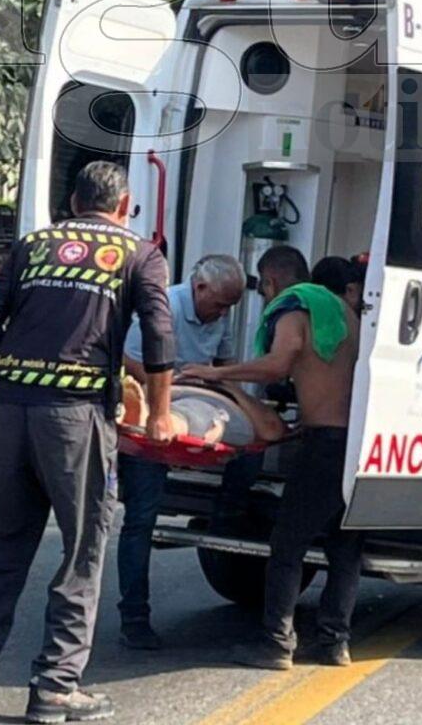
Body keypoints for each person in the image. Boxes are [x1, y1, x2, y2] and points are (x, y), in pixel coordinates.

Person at [0, 161, 176, 723]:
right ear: (124, 205)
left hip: (10, 412)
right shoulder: (139, 252)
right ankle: (55, 688)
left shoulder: (33, 244)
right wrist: (161, 412)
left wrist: (15, 371)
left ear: (73, 202)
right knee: (81, 550)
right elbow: (161, 330)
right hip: (76, 419)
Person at [180, 245, 362, 670]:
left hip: (325, 442)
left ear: (271, 282)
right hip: (355, 442)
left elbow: (278, 365)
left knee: (286, 543)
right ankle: (335, 641)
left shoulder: (293, 306)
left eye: (262, 292)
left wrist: (216, 373)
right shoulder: (344, 311)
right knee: (345, 545)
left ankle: (277, 643)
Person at [115, 253, 245, 650]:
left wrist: (236, 396)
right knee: (140, 519)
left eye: (228, 307)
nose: (221, 313)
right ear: (199, 287)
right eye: (219, 304)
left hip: (200, 399)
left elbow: (224, 361)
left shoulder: (220, 312)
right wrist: (168, 391)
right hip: (159, 403)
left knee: (252, 443)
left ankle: (228, 515)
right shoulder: (164, 305)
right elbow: (131, 358)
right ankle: (134, 616)